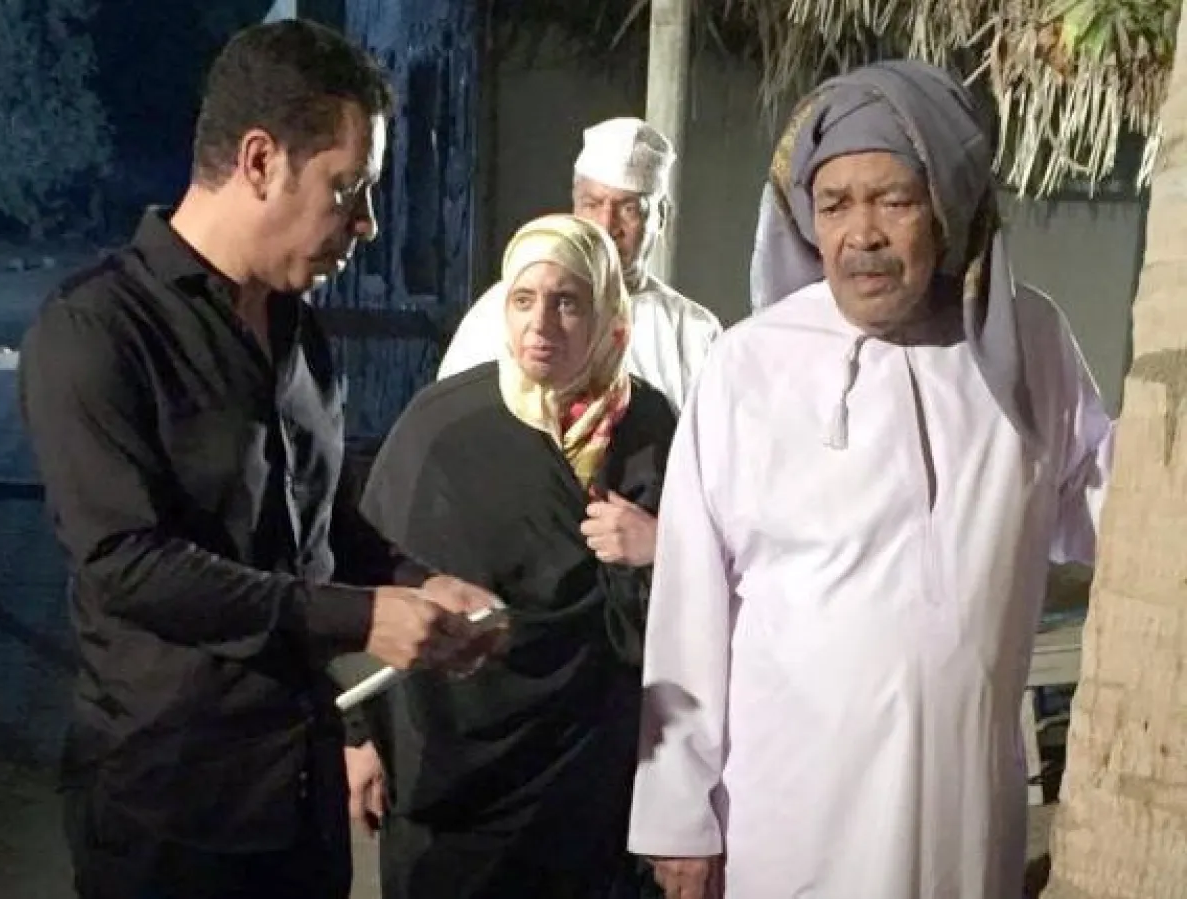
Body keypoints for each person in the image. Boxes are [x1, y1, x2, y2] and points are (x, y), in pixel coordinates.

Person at [18, 20, 498, 899]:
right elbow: (130, 565)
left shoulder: (299, 330)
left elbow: (322, 526)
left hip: (301, 796)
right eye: (347, 187)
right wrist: (361, 617)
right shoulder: (95, 330)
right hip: (169, 812)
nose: (367, 223)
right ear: (260, 161)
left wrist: (417, 581)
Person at [626, 60, 1114, 899]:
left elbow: (1108, 503)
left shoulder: (1027, 341)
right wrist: (680, 816)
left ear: (948, 205)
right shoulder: (749, 364)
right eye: (835, 204)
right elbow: (689, 602)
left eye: (894, 200)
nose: (862, 235)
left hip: (963, 804)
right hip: (794, 805)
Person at [350, 214, 677, 897]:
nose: (541, 324)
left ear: (609, 317)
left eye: (568, 302)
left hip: (597, 771)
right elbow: (372, 578)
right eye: (524, 299)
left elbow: (704, 596)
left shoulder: (650, 426)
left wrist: (661, 548)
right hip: (459, 770)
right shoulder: (442, 427)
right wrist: (361, 734)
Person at [437, 117, 721, 415]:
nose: (606, 225)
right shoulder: (499, 311)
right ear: (573, 208)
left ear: (661, 217)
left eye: (629, 209)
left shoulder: (693, 333)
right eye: (592, 204)